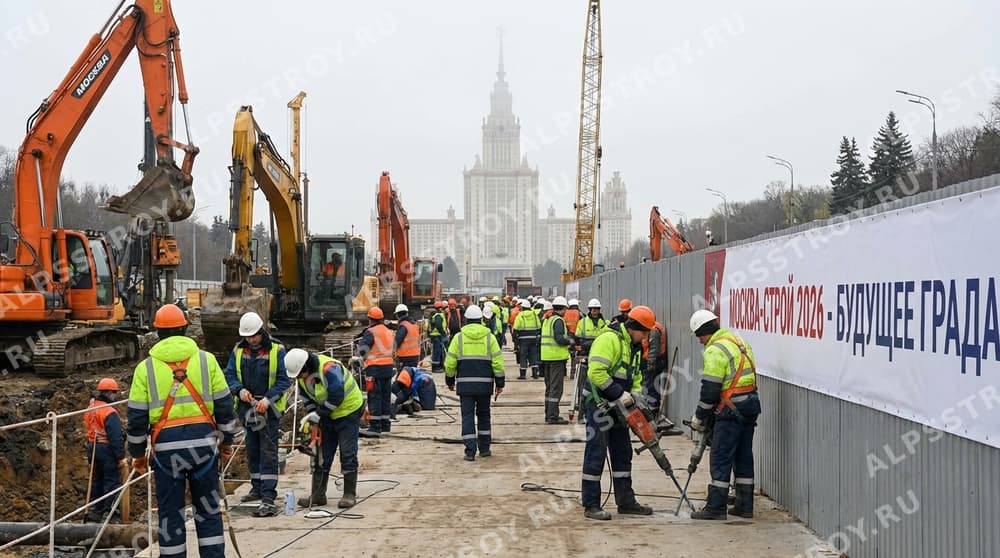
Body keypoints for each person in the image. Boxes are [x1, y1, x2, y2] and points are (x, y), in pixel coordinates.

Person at [127, 304, 236, 558]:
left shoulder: (146, 368)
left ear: (157, 332)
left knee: (170, 515)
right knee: (208, 511)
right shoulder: (206, 360)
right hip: (204, 447)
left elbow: (136, 418)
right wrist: (226, 441)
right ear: (185, 328)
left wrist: (137, 454)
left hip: (166, 452)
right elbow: (224, 405)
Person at [580, 305, 657, 521]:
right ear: (634, 327)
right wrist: (618, 394)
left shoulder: (634, 346)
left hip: (618, 406)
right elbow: (596, 373)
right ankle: (591, 504)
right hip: (599, 404)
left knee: (623, 452)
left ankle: (626, 501)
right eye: (645, 332)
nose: (646, 337)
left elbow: (636, 377)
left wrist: (635, 397)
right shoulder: (609, 340)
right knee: (596, 452)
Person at [688, 309, 761, 520]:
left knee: (720, 456)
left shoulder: (715, 350)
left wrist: (699, 417)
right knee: (743, 455)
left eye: (699, 336)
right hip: (750, 405)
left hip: (731, 410)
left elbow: (710, 390)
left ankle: (716, 507)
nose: (700, 342)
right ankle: (744, 506)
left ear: (704, 332)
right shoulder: (739, 342)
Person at [222, 311, 290, 516]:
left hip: (268, 408)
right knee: (252, 448)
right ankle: (257, 487)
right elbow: (230, 374)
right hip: (247, 407)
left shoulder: (277, 350)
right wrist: (239, 390)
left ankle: (268, 493)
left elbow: (283, 380)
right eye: (247, 337)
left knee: (268, 450)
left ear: (261, 331)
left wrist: (267, 400)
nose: (251, 340)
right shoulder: (239, 350)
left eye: (254, 336)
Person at [285, 348, 363, 508]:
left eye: (300, 374)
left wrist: (319, 414)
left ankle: (349, 494)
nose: (299, 378)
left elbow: (337, 396)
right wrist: (313, 414)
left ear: (306, 367)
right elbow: (306, 397)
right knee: (321, 455)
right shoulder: (302, 375)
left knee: (347, 452)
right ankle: (318, 494)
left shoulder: (329, 368)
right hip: (327, 414)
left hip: (349, 411)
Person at [445, 305, 504, 461]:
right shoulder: (489, 338)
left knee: (467, 416)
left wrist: (449, 380)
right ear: (481, 320)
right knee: (484, 415)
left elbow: (450, 363)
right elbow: (497, 363)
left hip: (465, 386)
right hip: (485, 386)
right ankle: (484, 449)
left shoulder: (458, 338)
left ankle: (470, 451)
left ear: (466, 320)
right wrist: (500, 382)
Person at [84, 378, 125, 523]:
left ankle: (96, 509)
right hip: (106, 449)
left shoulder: (91, 407)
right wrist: (121, 456)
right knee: (111, 480)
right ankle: (110, 512)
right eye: (114, 393)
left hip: (92, 447)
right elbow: (115, 437)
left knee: (97, 479)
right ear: (109, 393)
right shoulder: (109, 411)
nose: (115, 397)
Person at [358, 307, 396, 434]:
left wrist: (358, 357)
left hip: (374, 368)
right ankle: (385, 424)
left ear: (371, 319)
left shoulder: (370, 332)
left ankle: (375, 426)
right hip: (388, 367)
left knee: (374, 396)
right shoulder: (388, 331)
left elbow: (363, 350)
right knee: (385, 396)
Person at [540, 296, 572, 424]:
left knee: (549, 387)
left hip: (547, 358)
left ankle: (549, 414)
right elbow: (559, 339)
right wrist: (570, 341)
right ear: (563, 308)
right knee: (556, 388)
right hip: (556, 359)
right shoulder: (558, 320)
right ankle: (553, 416)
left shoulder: (548, 319)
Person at [512, 298, 541, 380]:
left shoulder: (520, 315)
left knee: (523, 356)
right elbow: (539, 326)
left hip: (523, 339)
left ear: (522, 307)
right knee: (533, 355)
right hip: (533, 338)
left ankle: (523, 374)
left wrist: (515, 341)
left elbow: (516, 329)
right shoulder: (534, 315)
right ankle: (535, 373)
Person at [393, 304, 421, 369]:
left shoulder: (403, 326)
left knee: (402, 377)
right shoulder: (414, 325)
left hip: (405, 357)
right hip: (415, 356)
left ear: (398, 315)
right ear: (407, 313)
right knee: (410, 376)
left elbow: (397, 342)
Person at [429, 301, 449, 372]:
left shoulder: (438, 315)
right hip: (437, 336)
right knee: (437, 352)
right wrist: (443, 334)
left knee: (440, 351)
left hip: (438, 336)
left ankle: (440, 366)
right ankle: (435, 367)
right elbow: (438, 326)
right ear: (440, 308)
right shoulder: (438, 315)